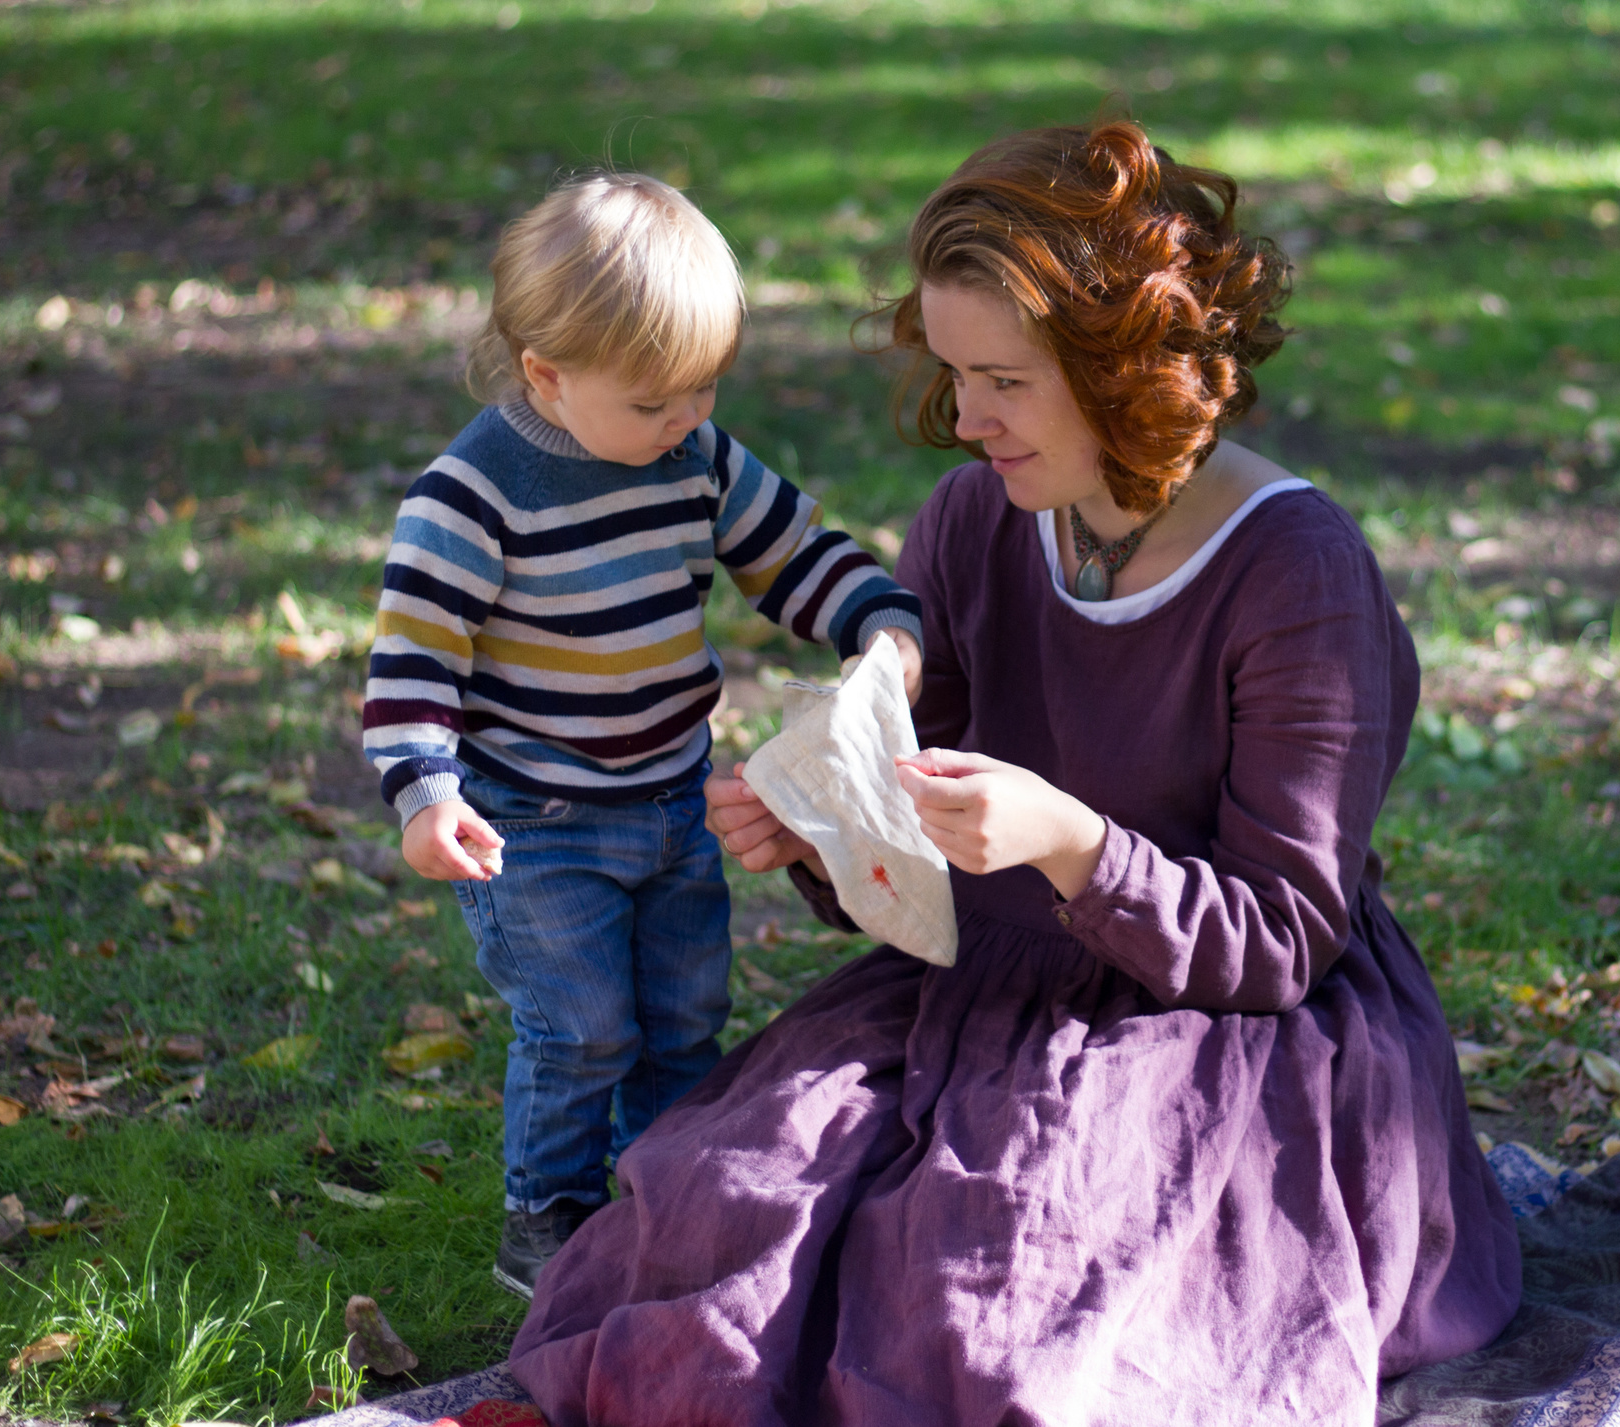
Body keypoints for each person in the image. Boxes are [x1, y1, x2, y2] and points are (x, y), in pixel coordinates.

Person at [506, 124, 1521, 1425]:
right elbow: (922, 851)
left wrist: (1071, 842)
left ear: (1125, 369)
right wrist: (828, 826)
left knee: (1016, 1271)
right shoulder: (976, 518)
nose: (967, 419)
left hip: (1225, 1028)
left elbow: (1278, 938)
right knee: (725, 1200)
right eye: (953, 373)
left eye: (1003, 380)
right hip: (987, 980)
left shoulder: (1295, 574)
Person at [361, 171, 926, 1299]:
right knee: (581, 1029)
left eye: (704, 389)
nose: (687, 419)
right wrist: (427, 792)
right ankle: (548, 1213)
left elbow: (791, 550)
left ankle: (670, 1190)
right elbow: (416, 661)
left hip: (671, 804)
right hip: (534, 824)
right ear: (546, 375)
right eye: (656, 401)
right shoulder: (473, 495)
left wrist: (876, 618)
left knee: (682, 1016)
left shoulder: (692, 456)